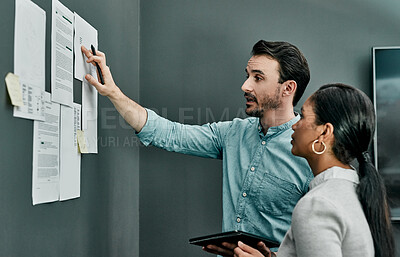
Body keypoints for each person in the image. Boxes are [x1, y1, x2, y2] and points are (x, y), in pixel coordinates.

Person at [81, 40, 314, 255]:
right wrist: (113, 92)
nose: (245, 86)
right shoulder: (233, 133)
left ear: (288, 88)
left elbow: (324, 243)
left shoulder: (310, 153)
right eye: (247, 76)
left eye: (258, 78)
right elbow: (169, 133)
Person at [228, 83, 395, 257]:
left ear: (324, 133)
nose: (294, 125)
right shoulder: (355, 189)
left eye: (303, 117)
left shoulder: (317, 204)